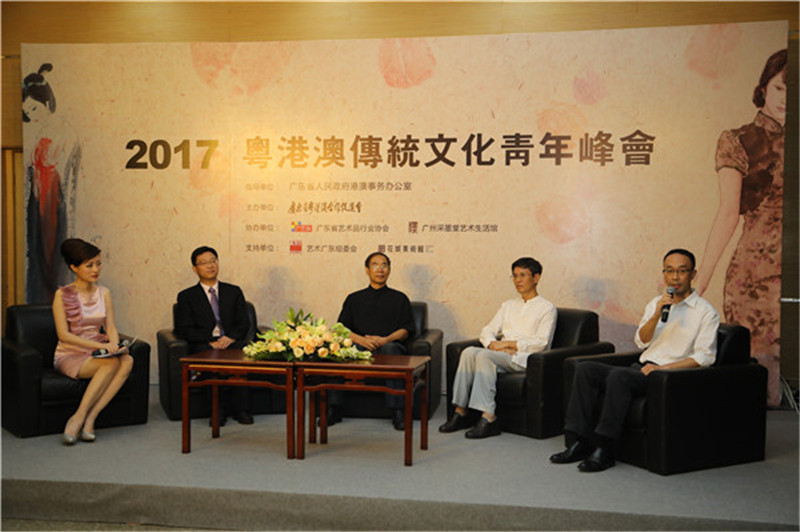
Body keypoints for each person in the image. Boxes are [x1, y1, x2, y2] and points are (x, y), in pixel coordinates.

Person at [550, 249, 719, 472]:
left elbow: (704, 357)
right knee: (586, 369)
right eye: (670, 271)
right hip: (640, 369)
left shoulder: (705, 312)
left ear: (693, 274)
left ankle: (605, 448)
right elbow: (641, 340)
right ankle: (579, 441)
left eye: (681, 271)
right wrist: (657, 314)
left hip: (666, 378)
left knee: (619, 376)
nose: (675, 277)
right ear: (664, 274)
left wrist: (662, 369)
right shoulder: (656, 304)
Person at [695, 49, 786, 407]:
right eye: (780, 88)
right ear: (763, 89)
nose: (786, 98)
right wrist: (701, 279)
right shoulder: (739, 140)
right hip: (755, 276)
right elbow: (728, 212)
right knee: (759, 376)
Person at [439, 257, 557, 439]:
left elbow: (541, 343)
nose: (518, 280)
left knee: (484, 357)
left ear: (536, 277)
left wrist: (507, 344)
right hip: (502, 355)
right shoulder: (508, 305)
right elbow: (488, 330)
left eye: (523, 275)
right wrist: (492, 345)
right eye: (515, 276)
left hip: (524, 358)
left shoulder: (547, 308)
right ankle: (460, 411)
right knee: (469, 352)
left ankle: (489, 417)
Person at [52, 238, 134, 445]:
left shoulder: (104, 293)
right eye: (89, 265)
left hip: (98, 349)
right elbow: (63, 335)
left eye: (98, 263)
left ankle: (91, 418)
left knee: (127, 360)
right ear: (74, 267)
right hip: (71, 353)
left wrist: (115, 346)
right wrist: (103, 347)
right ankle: (78, 417)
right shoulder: (62, 295)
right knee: (109, 364)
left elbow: (111, 327)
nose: (96, 269)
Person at [333, 251, 415, 430]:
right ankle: (334, 408)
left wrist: (385, 340)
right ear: (367, 270)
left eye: (384, 265)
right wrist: (361, 340)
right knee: (337, 352)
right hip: (359, 346)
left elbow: (405, 331)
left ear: (389, 270)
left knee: (391, 350)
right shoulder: (354, 299)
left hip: (389, 346)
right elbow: (341, 329)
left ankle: (398, 412)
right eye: (375, 265)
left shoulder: (400, 298)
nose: (380, 269)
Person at [175, 246, 253, 425]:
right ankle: (217, 411)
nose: (210, 266)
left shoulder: (234, 291)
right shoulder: (187, 296)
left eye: (213, 261)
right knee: (211, 360)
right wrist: (210, 341)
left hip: (231, 341)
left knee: (242, 356)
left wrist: (230, 337)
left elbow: (243, 322)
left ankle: (242, 410)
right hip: (205, 343)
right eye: (204, 263)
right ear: (195, 268)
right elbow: (184, 328)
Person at [23, 63, 82, 304]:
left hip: (53, 198)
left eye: (34, 108)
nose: (32, 115)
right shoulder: (37, 132)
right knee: (38, 252)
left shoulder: (63, 130)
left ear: (46, 103)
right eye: (27, 112)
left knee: (53, 253)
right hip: (38, 199)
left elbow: (67, 173)